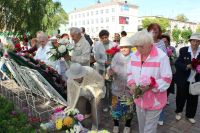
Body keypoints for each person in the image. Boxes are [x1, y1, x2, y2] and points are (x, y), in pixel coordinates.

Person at [127, 30, 172, 133]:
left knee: (149, 129)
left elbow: (167, 79)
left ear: (150, 44)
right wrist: (132, 85)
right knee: (141, 126)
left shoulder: (161, 57)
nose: (138, 49)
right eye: (136, 46)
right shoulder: (134, 55)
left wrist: (150, 86)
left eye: (141, 46)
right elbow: (129, 73)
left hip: (155, 101)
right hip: (139, 100)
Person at [65, 63, 105, 129]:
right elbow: (70, 96)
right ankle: (81, 124)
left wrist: (90, 87)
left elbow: (101, 82)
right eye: (74, 77)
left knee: (95, 106)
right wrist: (69, 108)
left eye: (78, 76)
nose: (76, 78)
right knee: (79, 107)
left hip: (95, 91)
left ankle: (95, 125)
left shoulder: (90, 71)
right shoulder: (70, 81)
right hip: (80, 94)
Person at [108, 37, 134, 133]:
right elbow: (111, 68)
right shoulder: (116, 56)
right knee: (115, 107)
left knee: (129, 108)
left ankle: (127, 125)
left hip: (129, 88)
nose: (123, 49)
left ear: (130, 47)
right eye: (122, 47)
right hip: (117, 87)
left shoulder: (134, 56)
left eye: (126, 47)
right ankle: (116, 124)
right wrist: (110, 71)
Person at [175, 33, 200, 124]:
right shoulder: (183, 50)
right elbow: (177, 63)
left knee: (193, 98)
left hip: (195, 80)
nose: (195, 43)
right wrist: (186, 66)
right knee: (181, 97)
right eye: (193, 41)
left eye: (198, 41)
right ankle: (179, 112)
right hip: (183, 78)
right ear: (190, 41)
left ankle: (190, 115)